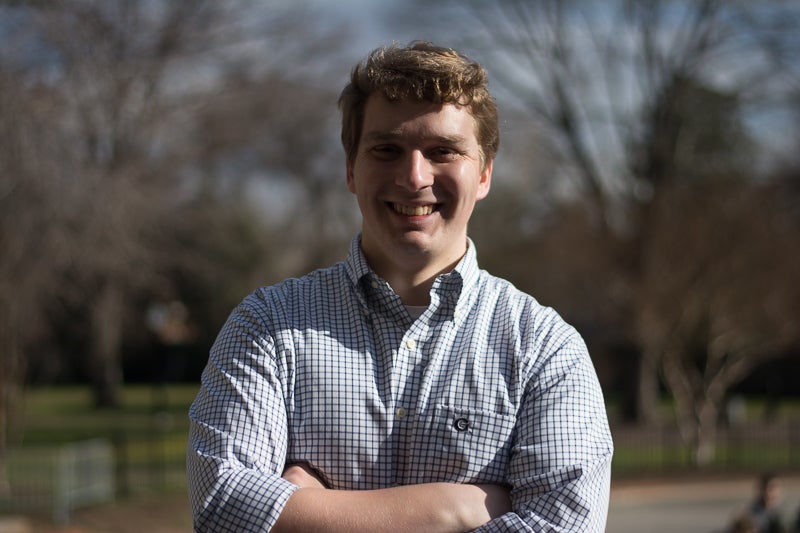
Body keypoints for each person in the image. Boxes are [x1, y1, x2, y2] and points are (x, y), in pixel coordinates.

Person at [186, 41, 614, 532]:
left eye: (443, 151)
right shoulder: (267, 325)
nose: (413, 177)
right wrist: (452, 511)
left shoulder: (544, 348)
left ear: (484, 173)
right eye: (387, 150)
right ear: (351, 169)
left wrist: (310, 514)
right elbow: (222, 508)